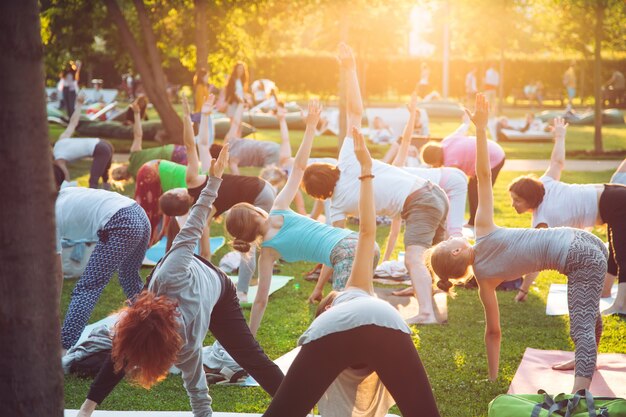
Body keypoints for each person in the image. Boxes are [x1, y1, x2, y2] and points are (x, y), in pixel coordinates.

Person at [74, 147, 284, 417]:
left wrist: (216, 179)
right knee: (124, 351)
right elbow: (196, 389)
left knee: (250, 356)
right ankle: (85, 409)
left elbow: (196, 221)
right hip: (162, 287)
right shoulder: (166, 300)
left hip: (217, 289)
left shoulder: (186, 336)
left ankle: (295, 405)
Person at [427, 93, 608, 393]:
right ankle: (583, 375)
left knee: (583, 322)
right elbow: (483, 176)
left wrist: (493, 376)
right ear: (457, 250)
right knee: (587, 315)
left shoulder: (485, 280)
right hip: (583, 247)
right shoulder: (483, 230)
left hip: (580, 253)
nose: (452, 236)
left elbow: (493, 332)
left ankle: (580, 389)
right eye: (448, 242)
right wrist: (482, 129)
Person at [262, 126, 441, 417]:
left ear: (329, 306)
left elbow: (367, 231)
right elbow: (368, 231)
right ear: (331, 303)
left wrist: (368, 172)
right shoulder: (358, 289)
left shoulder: (335, 312)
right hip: (387, 323)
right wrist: (366, 172)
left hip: (339, 330)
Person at [302, 44, 447, 324]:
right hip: (433, 191)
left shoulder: (336, 207)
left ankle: (427, 312)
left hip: (419, 202)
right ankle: (428, 295)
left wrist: (320, 288)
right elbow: (355, 110)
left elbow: (336, 250)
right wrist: (350, 68)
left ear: (318, 194)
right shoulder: (346, 159)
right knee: (431, 258)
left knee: (413, 259)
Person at [225, 99, 380, 335]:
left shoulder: (267, 254)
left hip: (345, 253)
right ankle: (375, 339)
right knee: (359, 303)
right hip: (364, 244)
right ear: (257, 211)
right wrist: (310, 127)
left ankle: (358, 353)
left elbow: (260, 301)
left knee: (342, 318)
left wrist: (251, 337)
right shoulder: (278, 207)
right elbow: (298, 168)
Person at [159, 95, 276, 302]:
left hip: (260, 194)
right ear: (177, 194)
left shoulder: (200, 212)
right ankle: (242, 291)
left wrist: (205, 115)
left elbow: (203, 144)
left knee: (249, 243)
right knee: (247, 244)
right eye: (168, 192)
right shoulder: (193, 181)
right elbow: (190, 145)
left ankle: (243, 289)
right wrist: (187, 117)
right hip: (261, 192)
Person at [508, 119, 626, 314]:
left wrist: (523, 289)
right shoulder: (545, 183)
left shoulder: (542, 220)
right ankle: (606, 292)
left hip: (614, 202)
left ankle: (621, 305)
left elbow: (537, 260)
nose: (513, 205)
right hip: (613, 194)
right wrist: (560, 135)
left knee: (622, 253)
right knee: (615, 249)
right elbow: (557, 162)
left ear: (530, 199)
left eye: (517, 200)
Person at [55, 183, 151, 352]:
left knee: (88, 287)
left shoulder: (47, 219)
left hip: (122, 221)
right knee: (128, 276)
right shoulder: (64, 193)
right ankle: (152, 330)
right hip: (139, 213)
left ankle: (62, 347)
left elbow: (56, 273)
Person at [420, 113, 505, 229]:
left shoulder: (451, 161)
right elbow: (461, 130)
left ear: (435, 160)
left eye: (432, 164)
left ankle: (480, 224)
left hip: (494, 158)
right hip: (494, 149)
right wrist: (466, 122)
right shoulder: (446, 141)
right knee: (473, 188)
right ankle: (472, 222)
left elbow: (454, 184)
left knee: (480, 191)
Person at [111, 101, 187, 182]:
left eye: (118, 171)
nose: (121, 174)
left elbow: (138, 135)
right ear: (125, 179)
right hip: (172, 164)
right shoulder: (139, 178)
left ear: (122, 165)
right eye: (120, 177)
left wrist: (137, 114)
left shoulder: (134, 156)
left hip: (172, 151)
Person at [53, 94, 114, 189]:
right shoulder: (61, 139)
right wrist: (79, 104)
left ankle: (94, 200)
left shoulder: (58, 160)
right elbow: (73, 122)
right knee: (104, 174)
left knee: (93, 181)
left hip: (100, 149)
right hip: (105, 143)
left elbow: (66, 181)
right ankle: (108, 191)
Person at [210, 102, 289, 175]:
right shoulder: (229, 140)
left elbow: (237, 178)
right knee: (284, 168)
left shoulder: (232, 159)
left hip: (268, 155)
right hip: (272, 146)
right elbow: (236, 123)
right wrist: (241, 105)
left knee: (270, 181)